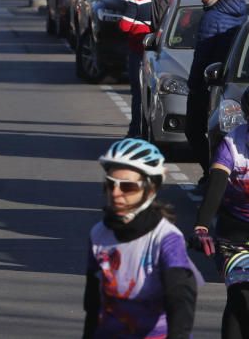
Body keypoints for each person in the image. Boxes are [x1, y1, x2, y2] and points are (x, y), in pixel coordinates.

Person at [83, 138, 198, 339]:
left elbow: (181, 305)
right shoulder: (98, 234)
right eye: (111, 185)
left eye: (128, 187)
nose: (116, 194)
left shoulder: (166, 239)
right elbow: (93, 307)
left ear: (150, 189)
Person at [191, 87, 249, 339]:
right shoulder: (232, 145)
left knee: (240, 307)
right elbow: (215, 188)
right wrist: (201, 226)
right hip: (235, 235)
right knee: (242, 295)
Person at [187, 0, 248, 185]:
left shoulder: (211, 17)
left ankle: (213, 175)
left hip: (213, 83)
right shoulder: (243, 13)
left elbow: (202, 55)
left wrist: (194, 84)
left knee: (195, 130)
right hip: (228, 79)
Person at [118, 0, 170, 138]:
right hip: (158, 49)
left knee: (138, 94)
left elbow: (125, 26)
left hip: (138, 49)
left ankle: (135, 131)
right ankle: (151, 130)